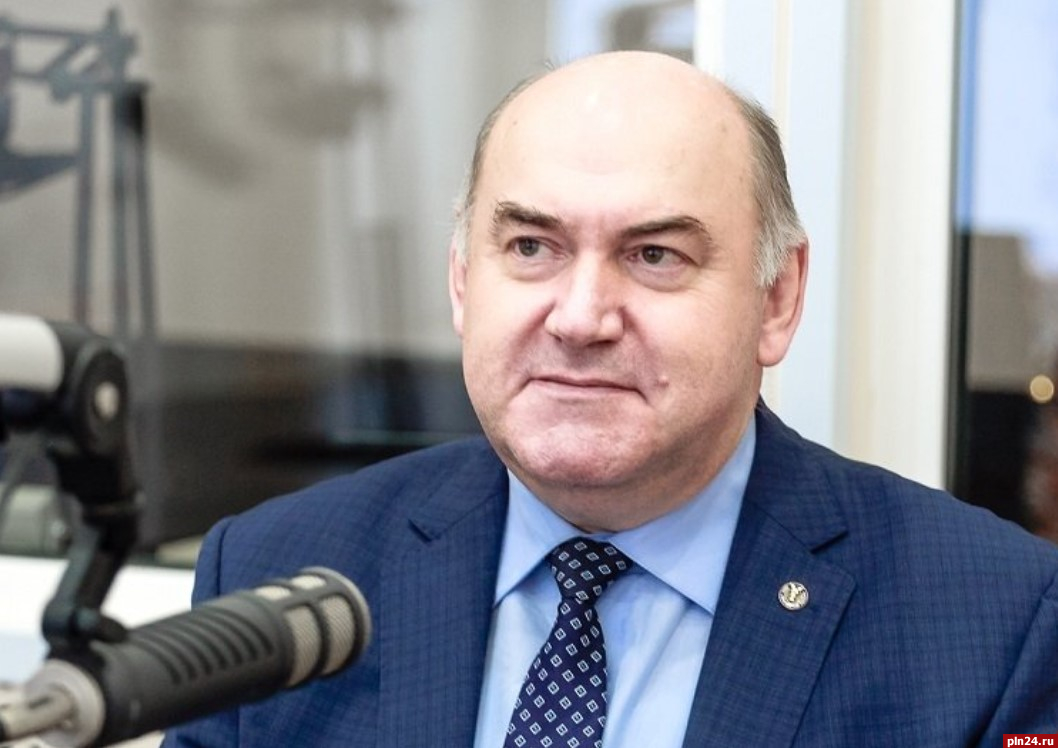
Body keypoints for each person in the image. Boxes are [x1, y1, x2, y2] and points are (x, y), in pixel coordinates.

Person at [162, 51, 1058, 747]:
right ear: (463, 282)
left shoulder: (991, 624)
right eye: (531, 248)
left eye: (655, 255)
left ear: (777, 299)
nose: (581, 317)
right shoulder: (278, 577)